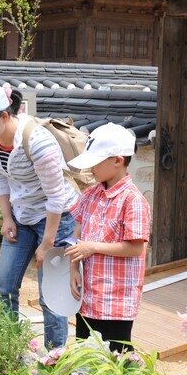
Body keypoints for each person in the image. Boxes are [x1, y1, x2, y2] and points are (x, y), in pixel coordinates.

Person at [0, 83, 80, 350]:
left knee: (51, 296)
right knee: (4, 285)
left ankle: (54, 359)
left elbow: (56, 198)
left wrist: (47, 244)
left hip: (57, 219)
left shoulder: (37, 142)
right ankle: (6, 349)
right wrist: (7, 219)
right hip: (22, 215)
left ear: (3, 116)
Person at [65, 122, 151, 353]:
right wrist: (74, 267)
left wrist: (92, 247)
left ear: (117, 160)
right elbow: (77, 233)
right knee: (84, 355)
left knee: (115, 360)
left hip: (116, 301)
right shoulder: (91, 193)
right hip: (88, 295)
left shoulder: (133, 201)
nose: (90, 168)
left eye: (95, 161)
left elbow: (134, 248)